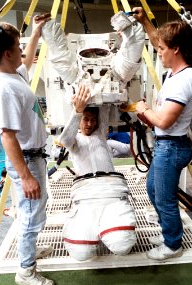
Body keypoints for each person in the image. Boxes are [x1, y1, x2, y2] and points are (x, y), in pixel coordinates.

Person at [0, 15, 55, 285]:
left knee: (33, 211)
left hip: (35, 155)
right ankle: (26, 270)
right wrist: (26, 176)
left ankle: (28, 247)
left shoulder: (12, 73)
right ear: (7, 53)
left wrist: (37, 32)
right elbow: (7, 136)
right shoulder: (3, 88)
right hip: (27, 158)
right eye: (18, 46)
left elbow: (27, 61)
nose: (22, 50)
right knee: (31, 215)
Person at [133, 7, 192, 260]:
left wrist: (145, 109)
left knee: (165, 198)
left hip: (172, 146)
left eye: (162, 50)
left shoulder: (183, 80)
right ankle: (170, 231)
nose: (158, 51)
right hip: (165, 145)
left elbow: (166, 122)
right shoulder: (174, 73)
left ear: (176, 49)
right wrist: (145, 20)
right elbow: (159, 39)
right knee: (153, 189)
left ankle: (172, 245)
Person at [58, 85, 136, 261]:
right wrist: (77, 111)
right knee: (81, 253)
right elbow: (65, 139)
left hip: (111, 192)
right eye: (85, 119)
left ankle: (104, 227)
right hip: (87, 195)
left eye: (93, 120)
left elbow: (103, 110)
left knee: (123, 244)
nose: (89, 124)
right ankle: (95, 229)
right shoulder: (75, 141)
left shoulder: (101, 134)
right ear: (79, 120)